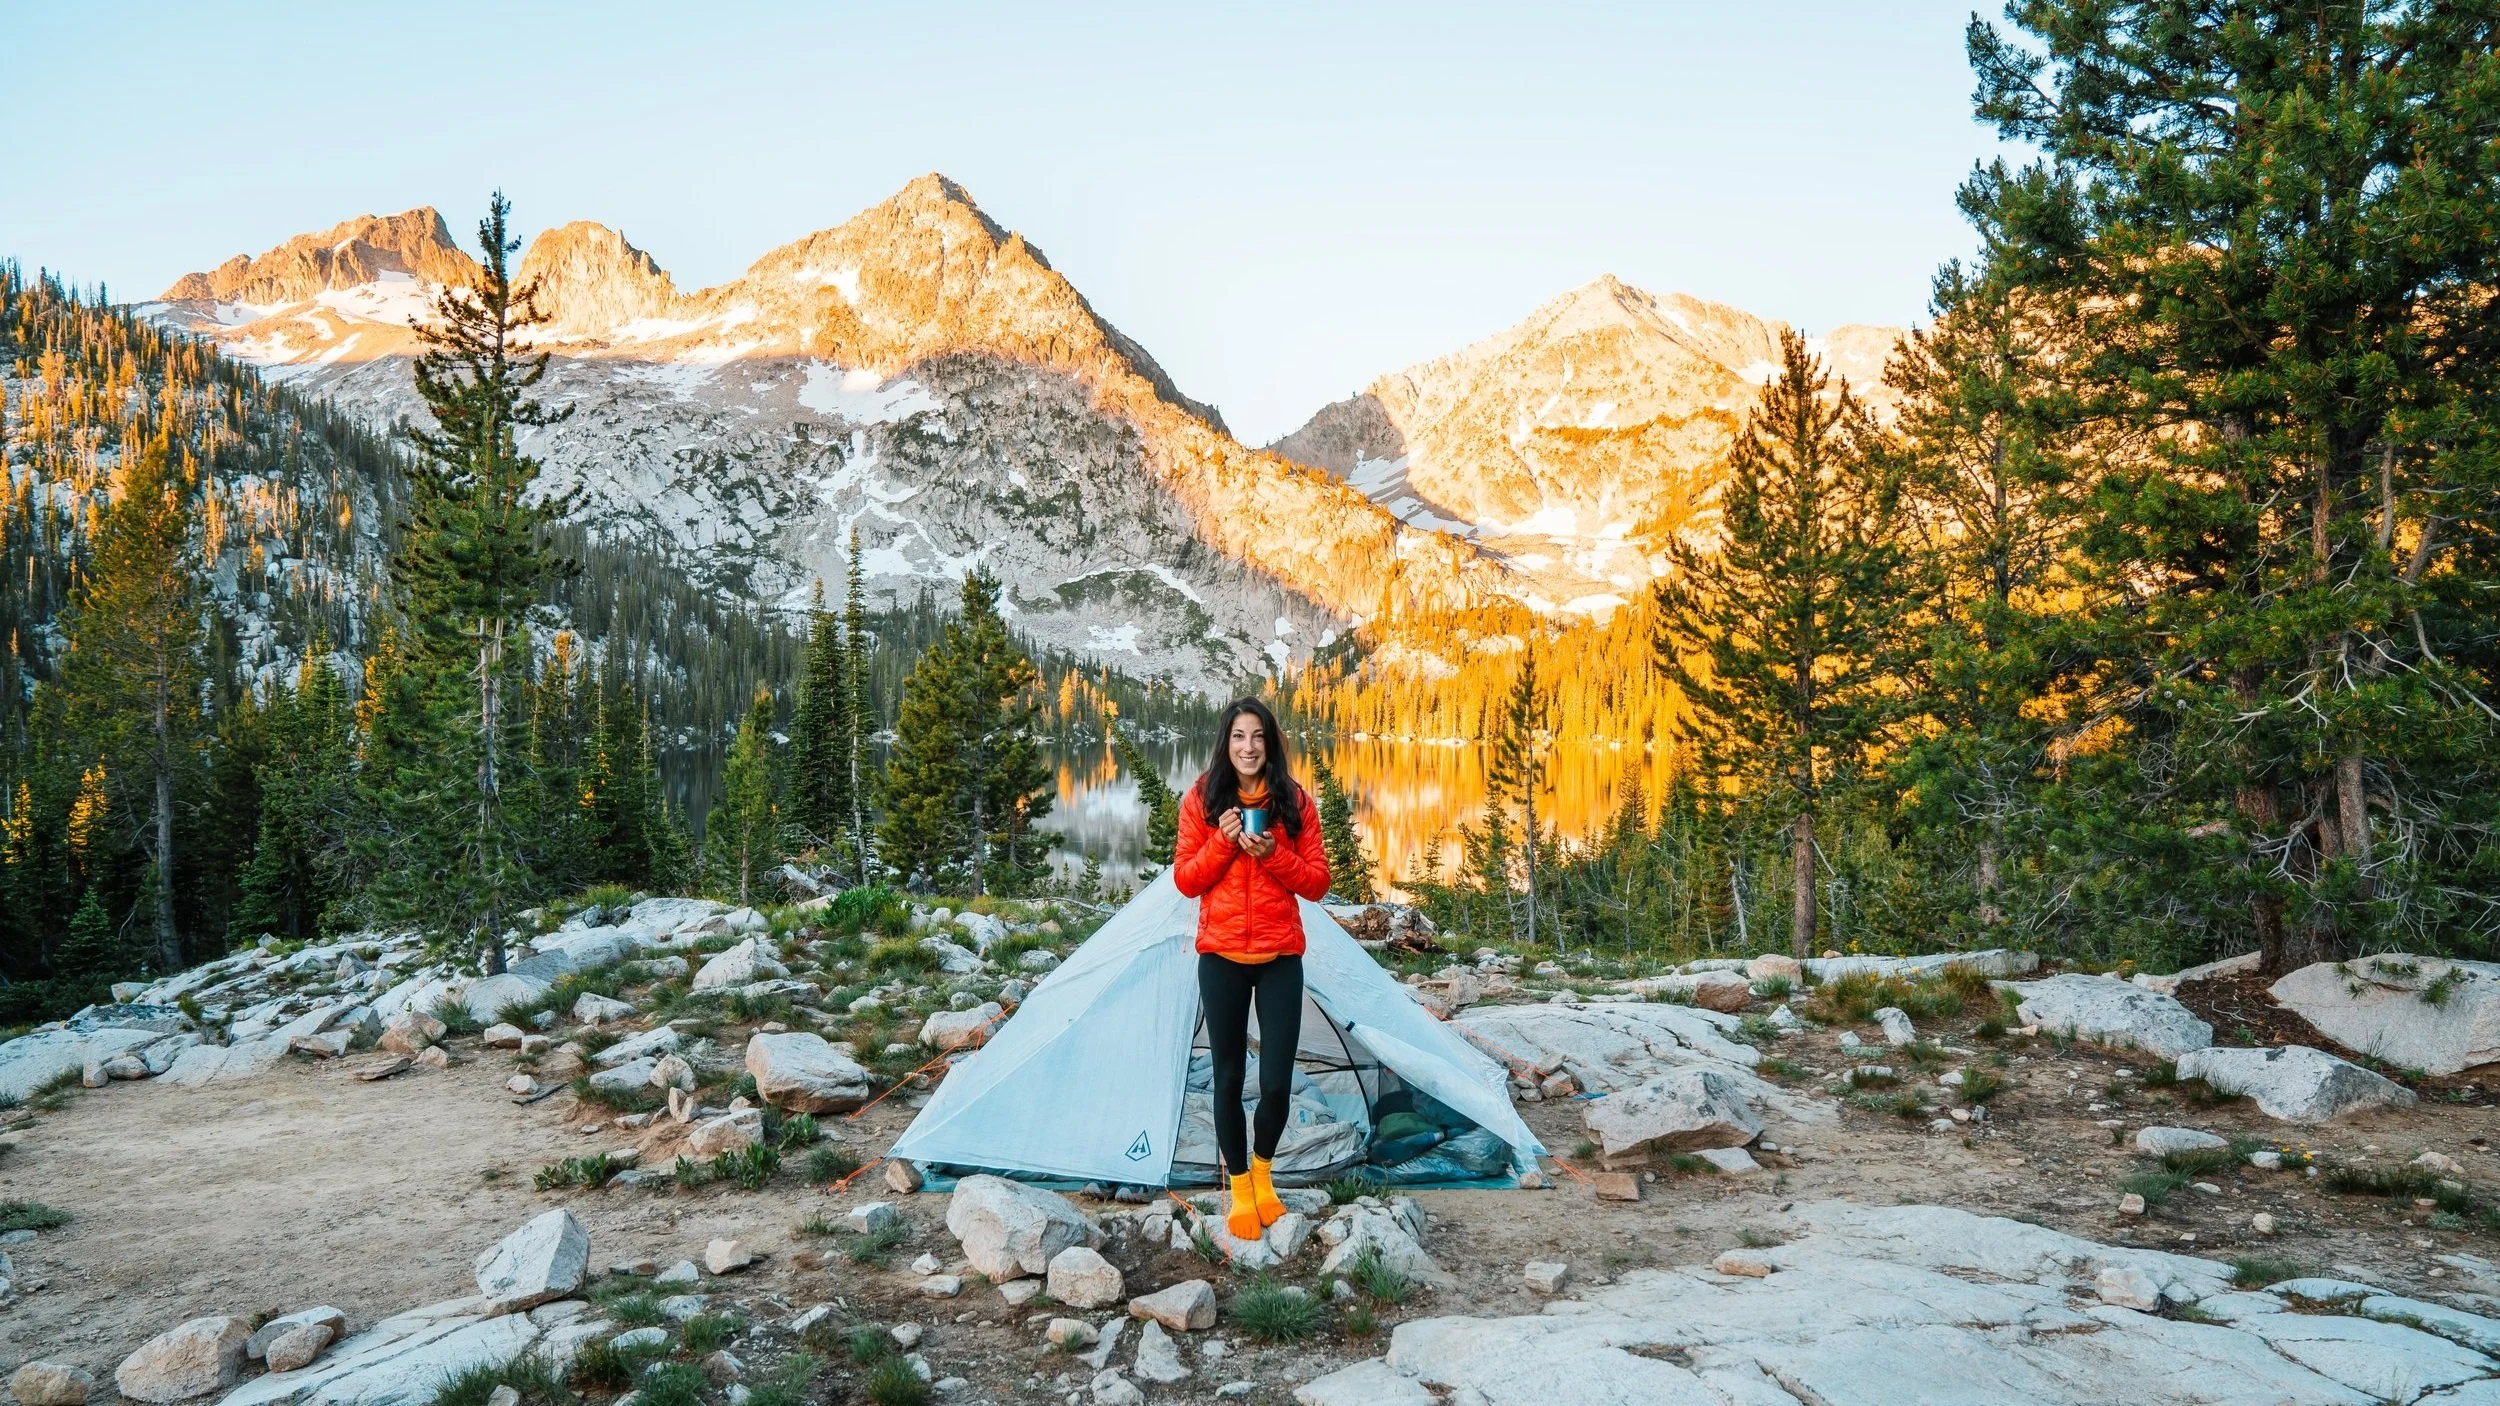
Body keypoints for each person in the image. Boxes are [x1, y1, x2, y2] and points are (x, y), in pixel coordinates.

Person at [1172, 697, 1331, 1240]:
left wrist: (1270, 855)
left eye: (1258, 736)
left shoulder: (1294, 801)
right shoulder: (1201, 798)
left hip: (1280, 955)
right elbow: (1187, 880)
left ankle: (1264, 1176)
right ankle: (1240, 1188)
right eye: (1239, 737)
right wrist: (1224, 840)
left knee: (1277, 1083)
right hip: (1220, 958)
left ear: (1270, 742)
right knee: (1228, 1078)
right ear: (1226, 741)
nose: (1248, 747)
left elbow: (1316, 882)